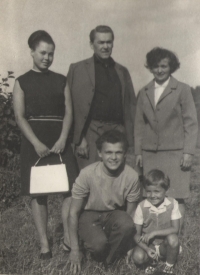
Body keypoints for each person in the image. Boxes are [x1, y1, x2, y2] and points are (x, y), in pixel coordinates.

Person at [13, 30, 79, 260]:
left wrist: (63, 138)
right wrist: (36, 143)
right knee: (38, 194)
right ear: (31, 52)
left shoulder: (61, 80)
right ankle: (44, 245)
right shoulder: (21, 82)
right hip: (35, 142)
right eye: (42, 53)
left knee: (69, 190)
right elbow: (20, 117)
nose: (47, 58)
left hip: (59, 138)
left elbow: (69, 112)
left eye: (51, 54)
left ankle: (68, 238)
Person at [134, 47, 198, 232]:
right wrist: (138, 151)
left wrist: (188, 152)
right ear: (150, 67)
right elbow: (138, 125)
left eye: (164, 66)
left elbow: (191, 123)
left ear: (171, 67)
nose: (160, 70)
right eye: (155, 66)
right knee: (152, 195)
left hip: (175, 153)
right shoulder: (144, 91)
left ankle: (175, 237)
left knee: (176, 196)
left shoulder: (182, 90)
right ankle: (153, 235)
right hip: (150, 154)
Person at [68, 130, 140, 273]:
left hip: (114, 214)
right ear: (100, 153)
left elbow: (130, 213)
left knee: (126, 224)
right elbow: (73, 212)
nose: (113, 157)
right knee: (99, 245)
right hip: (89, 215)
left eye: (118, 152)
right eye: (108, 152)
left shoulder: (131, 176)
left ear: (125, 154)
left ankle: (109, 261)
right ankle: (92, 243)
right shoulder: (87, 173)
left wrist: (130, 243)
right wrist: (74, 249)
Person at [67, 25, 136, 169]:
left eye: (109, 42)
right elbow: (69, 107)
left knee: (116, 181)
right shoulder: (77, 69)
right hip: (91, 133)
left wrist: (130, 143)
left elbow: (131, 108)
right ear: (92, 44)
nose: (105, 46)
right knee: (90, 179)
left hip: (118, 133)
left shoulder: (122, 71)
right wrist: (79, 139)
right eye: (101, 42)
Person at [130, 170, 181, 275]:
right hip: (149, 245)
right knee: (138, 257)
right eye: (148, 191)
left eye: (157, 191)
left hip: (164, 245)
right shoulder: (142, 206)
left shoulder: (172, 203)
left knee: (173, 238)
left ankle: (168, 266)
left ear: (166, 190)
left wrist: (154, 233)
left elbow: (175, 229)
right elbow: (136, 235)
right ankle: (151, 263)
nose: (152, 195)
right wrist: (146, 249)